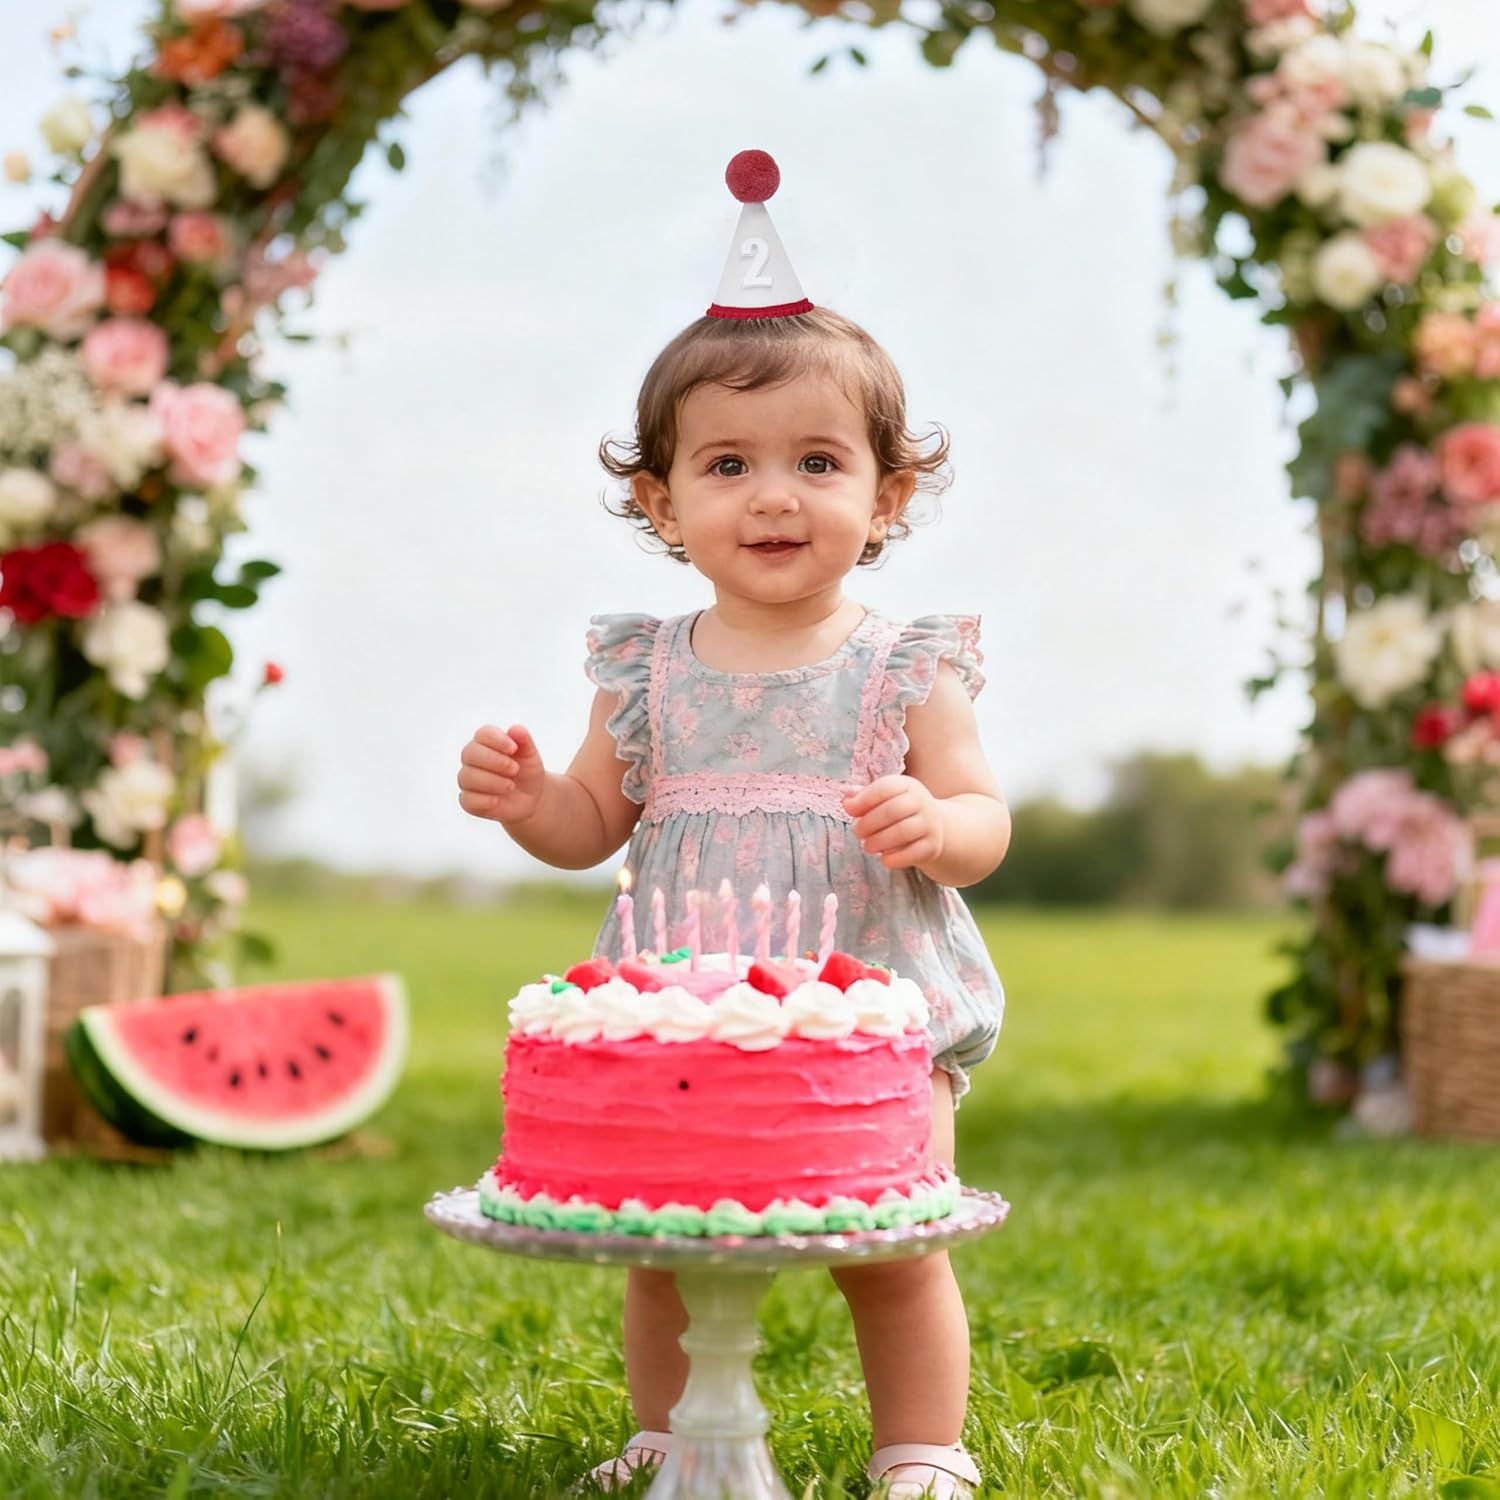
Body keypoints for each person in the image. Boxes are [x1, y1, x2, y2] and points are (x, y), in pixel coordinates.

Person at [457, 152, 1010, 1499]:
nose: (774, 495)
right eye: (728, 464)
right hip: (679, 1017)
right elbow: (599, 820)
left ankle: (922, 1447)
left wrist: (935, 822)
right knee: (663, 1240)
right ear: (661, 502)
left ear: (885, 498)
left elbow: (988, 813)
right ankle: (666, 1428)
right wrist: (536, 802)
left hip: (872, 1009)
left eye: (819, 462)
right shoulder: (644, 666)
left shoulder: (902, 664)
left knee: (893, 1242)